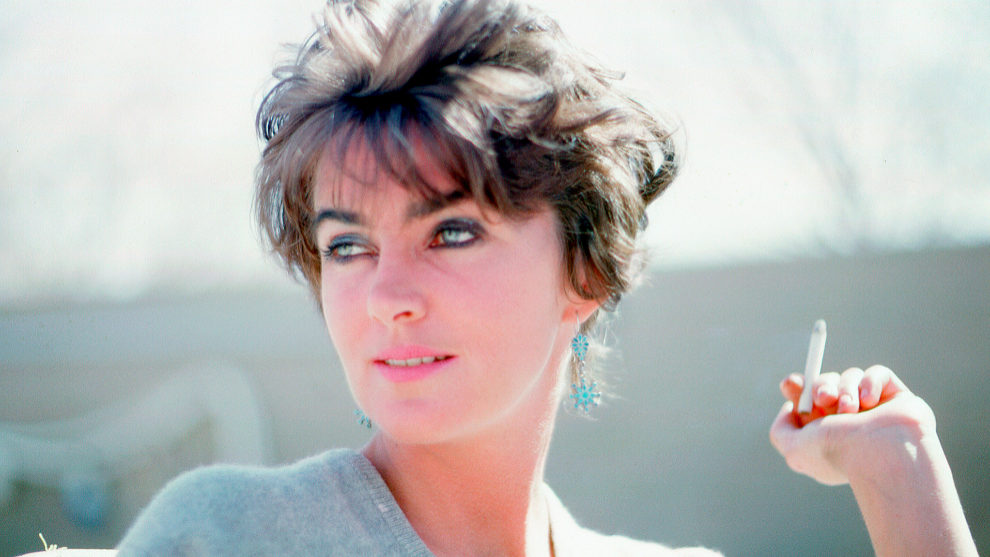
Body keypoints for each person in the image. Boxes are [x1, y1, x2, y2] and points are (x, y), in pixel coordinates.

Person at [116, 0, 978, 555]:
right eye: (347, 245)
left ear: (586, 267)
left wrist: (900, 469)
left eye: (451, 230)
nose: (386, 296)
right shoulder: (227, 535)